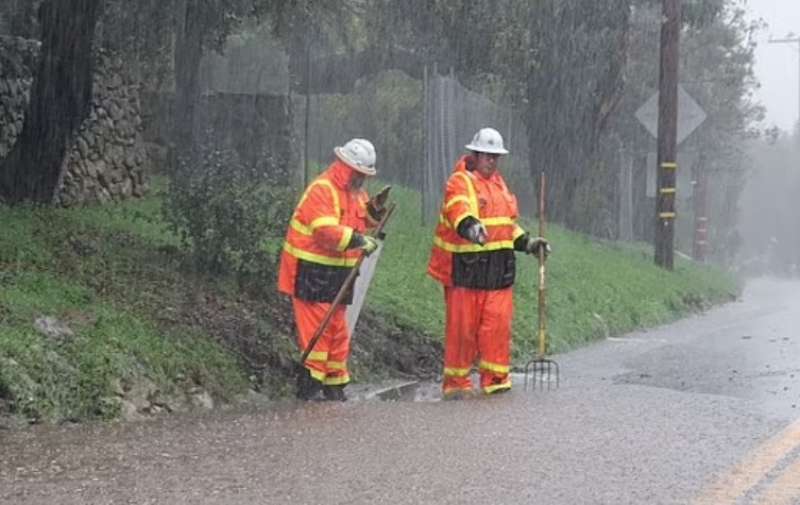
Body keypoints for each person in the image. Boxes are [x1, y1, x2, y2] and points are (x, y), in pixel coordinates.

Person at [427, 127, 549, 399]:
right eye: (487, 156)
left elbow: (507, 226)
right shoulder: (460, 182)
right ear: (476, 154)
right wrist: (470, 228)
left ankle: (496, 382)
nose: (492, 161)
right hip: (467, 270)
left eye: (496, 157)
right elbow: (458, 210)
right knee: (463, 332)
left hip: (498, 272)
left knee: (497, 328)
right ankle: (457, 386)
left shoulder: (500, 186)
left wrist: (528, 243)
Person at [277, 138, 389, 401]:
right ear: (346, 166)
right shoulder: (322, 190)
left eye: (365, 175)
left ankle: (334, 387)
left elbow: (360, 222)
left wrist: (375, 212)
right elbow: (326, 232)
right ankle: (310, 389)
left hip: (338, 276)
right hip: (311, 274)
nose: (362, 179)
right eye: (359, 173)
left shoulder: (356, 194)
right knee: (319, 335)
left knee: (337, 334)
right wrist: (361, 241)